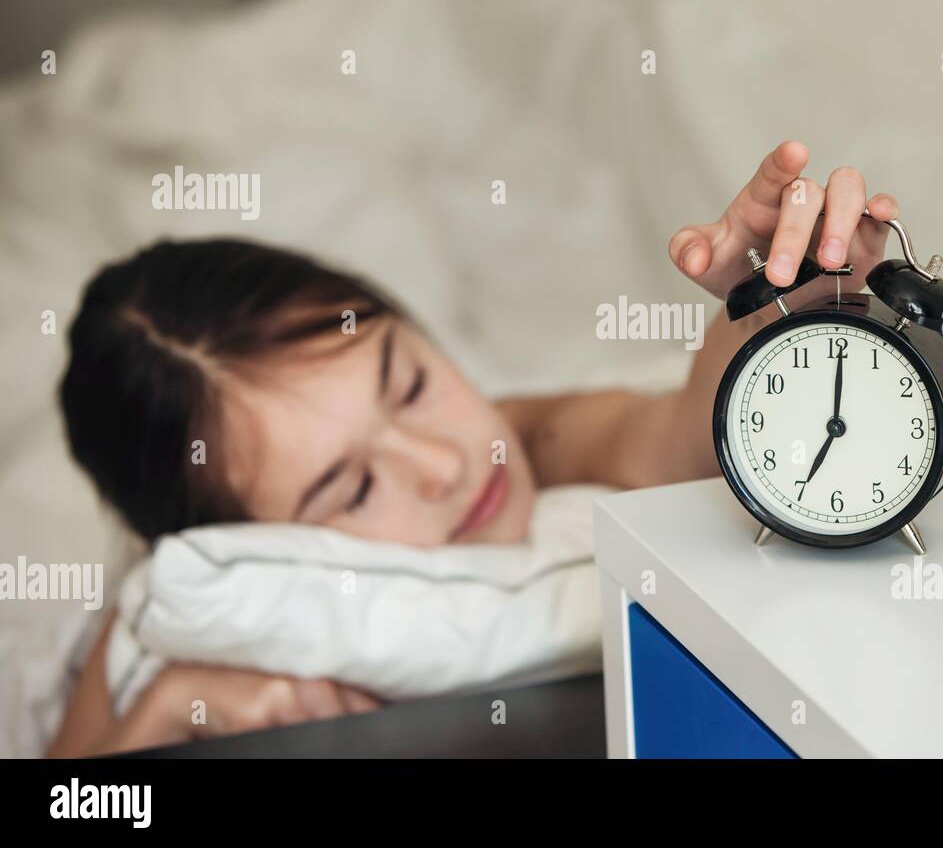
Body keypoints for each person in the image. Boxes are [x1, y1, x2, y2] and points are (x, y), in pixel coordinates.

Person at [46, 141, 899, 756]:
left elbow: (669, 445)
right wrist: (162, 712)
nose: (445, 463)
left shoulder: (516, 432)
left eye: (409, 383)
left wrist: (767, 306)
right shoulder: (169, 610)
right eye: (350, 488)